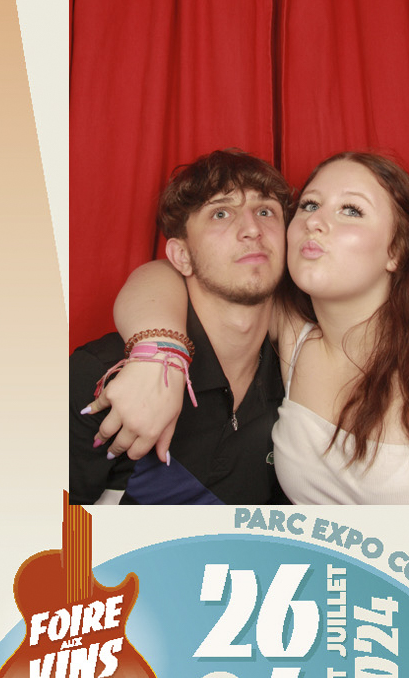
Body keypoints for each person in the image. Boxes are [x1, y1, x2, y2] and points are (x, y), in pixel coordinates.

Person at [105, 152, 409, 506]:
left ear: (395, 251)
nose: (315, 221)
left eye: (351, 210)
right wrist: (160, 353)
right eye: (310, 205)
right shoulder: (292, 333)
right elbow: (168, 274)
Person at [70, 150, 293, 505]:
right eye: (221, 213)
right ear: (182, 256)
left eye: (265, 211)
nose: (253, 229)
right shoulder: (101, 375)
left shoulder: (297, 374)